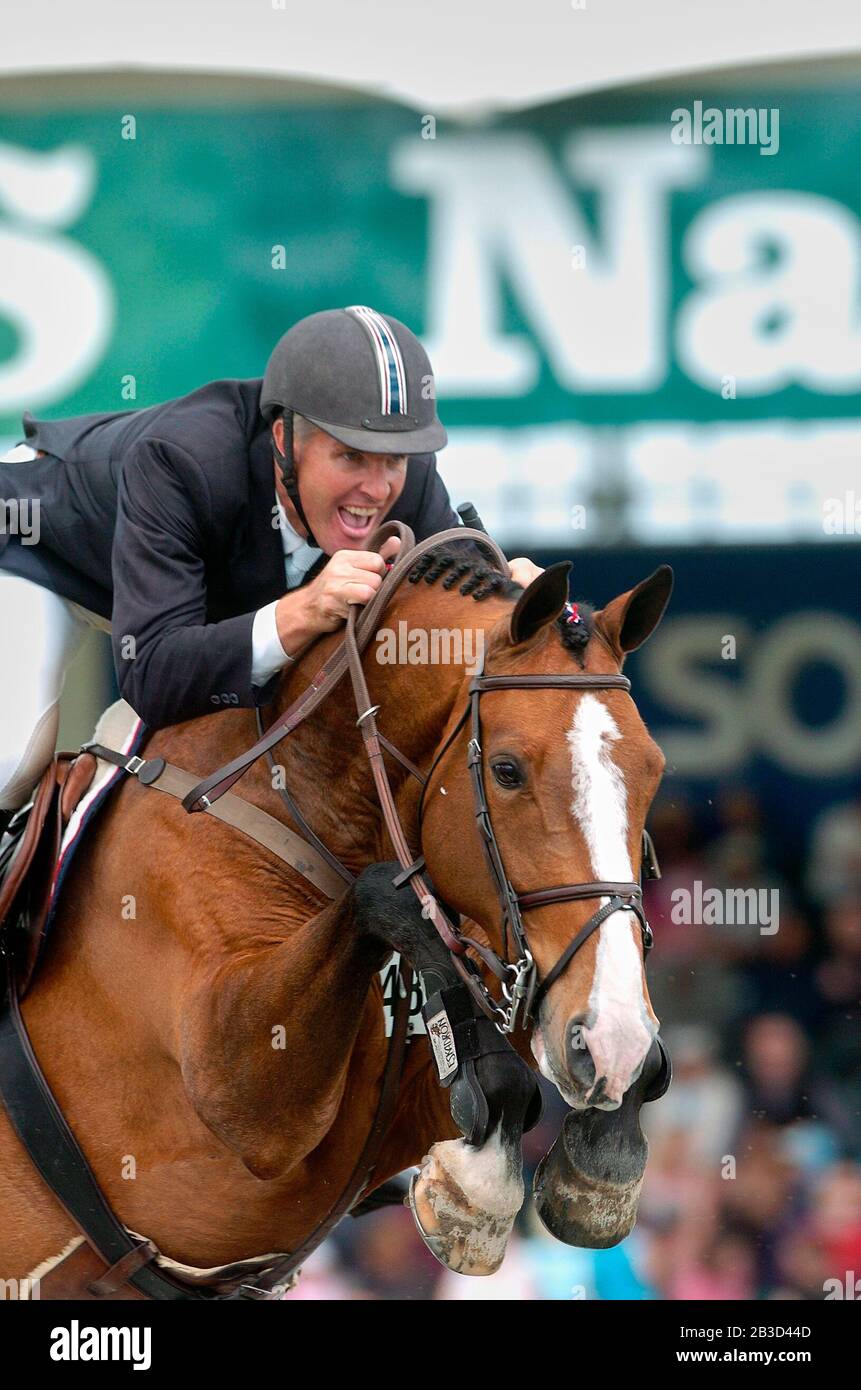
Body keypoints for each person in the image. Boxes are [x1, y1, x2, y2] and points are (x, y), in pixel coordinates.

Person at [0, 305, 542, 837]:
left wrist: (534, 612)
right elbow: (152, 675)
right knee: (9, 762)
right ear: (285, 441)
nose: (377, 490)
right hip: (42, 551)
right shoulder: (182, 461)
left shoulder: (411, 478)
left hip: (179, 598)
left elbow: (475, 624)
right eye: (351, 455)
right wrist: (303, 610)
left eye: (393, 460)